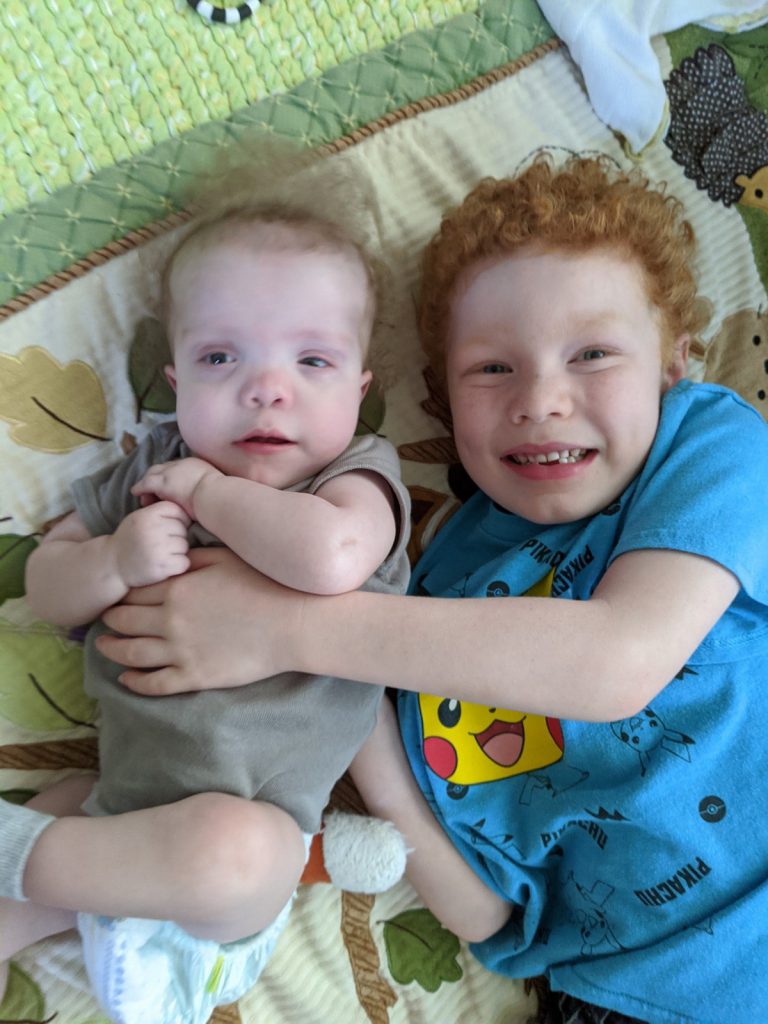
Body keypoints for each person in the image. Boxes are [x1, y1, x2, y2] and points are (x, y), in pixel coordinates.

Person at [88, 155, 768, 1024]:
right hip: (608, 999)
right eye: (491, 369)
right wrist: (337, 684)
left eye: (594, 353)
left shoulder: (706, 444)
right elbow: (490, 917)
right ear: (441, 393)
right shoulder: (430, 576)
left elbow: (617, 661)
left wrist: (286, 628)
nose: (542, 400)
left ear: (674, 365)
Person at [2, 159, 411, 1024]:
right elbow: (47, 586)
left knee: (234, 851)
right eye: (223, 356)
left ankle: (25, 861)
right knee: (73, 816)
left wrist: (209, 496)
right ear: (178, 380)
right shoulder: (148, 466)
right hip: (118, 804)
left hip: (243, 865)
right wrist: (112, 561)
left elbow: (334, 561)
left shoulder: (354, 480)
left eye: (312, 359)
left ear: (359, 388)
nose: (268, 387)